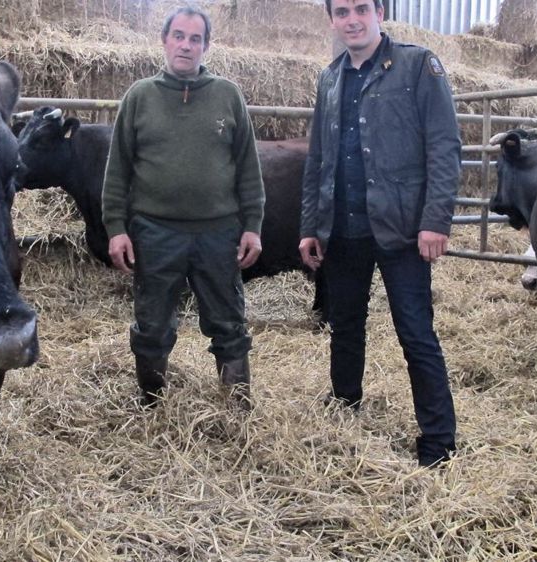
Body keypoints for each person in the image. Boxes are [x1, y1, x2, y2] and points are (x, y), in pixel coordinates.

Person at [298, 0, 461, 467]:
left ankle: (438, 439)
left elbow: (445, 145)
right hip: (344, 229)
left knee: (415, 333)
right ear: (332, 19)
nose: (352, 19)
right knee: (344, 325)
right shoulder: (329, 78)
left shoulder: (417, 65)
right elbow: (318, 160)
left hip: (403, 229)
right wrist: (311, 226)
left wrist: (436, 220)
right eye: (342, 11)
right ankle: (345, 402)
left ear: (380, 13)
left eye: (361, 8)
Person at [102, 5, 266, 409]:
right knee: (153, 324)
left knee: (228, 322)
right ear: (164, 40)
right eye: (179, 36)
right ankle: (152, 404)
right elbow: (117, 171)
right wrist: (116, 228)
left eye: (195, 39)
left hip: (218, 231)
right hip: (155, 233)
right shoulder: (139, 97)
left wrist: (253, 225)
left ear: (206, 45)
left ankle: (237, 410)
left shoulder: (227, 95)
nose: (186, 46)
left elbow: (248, 167)